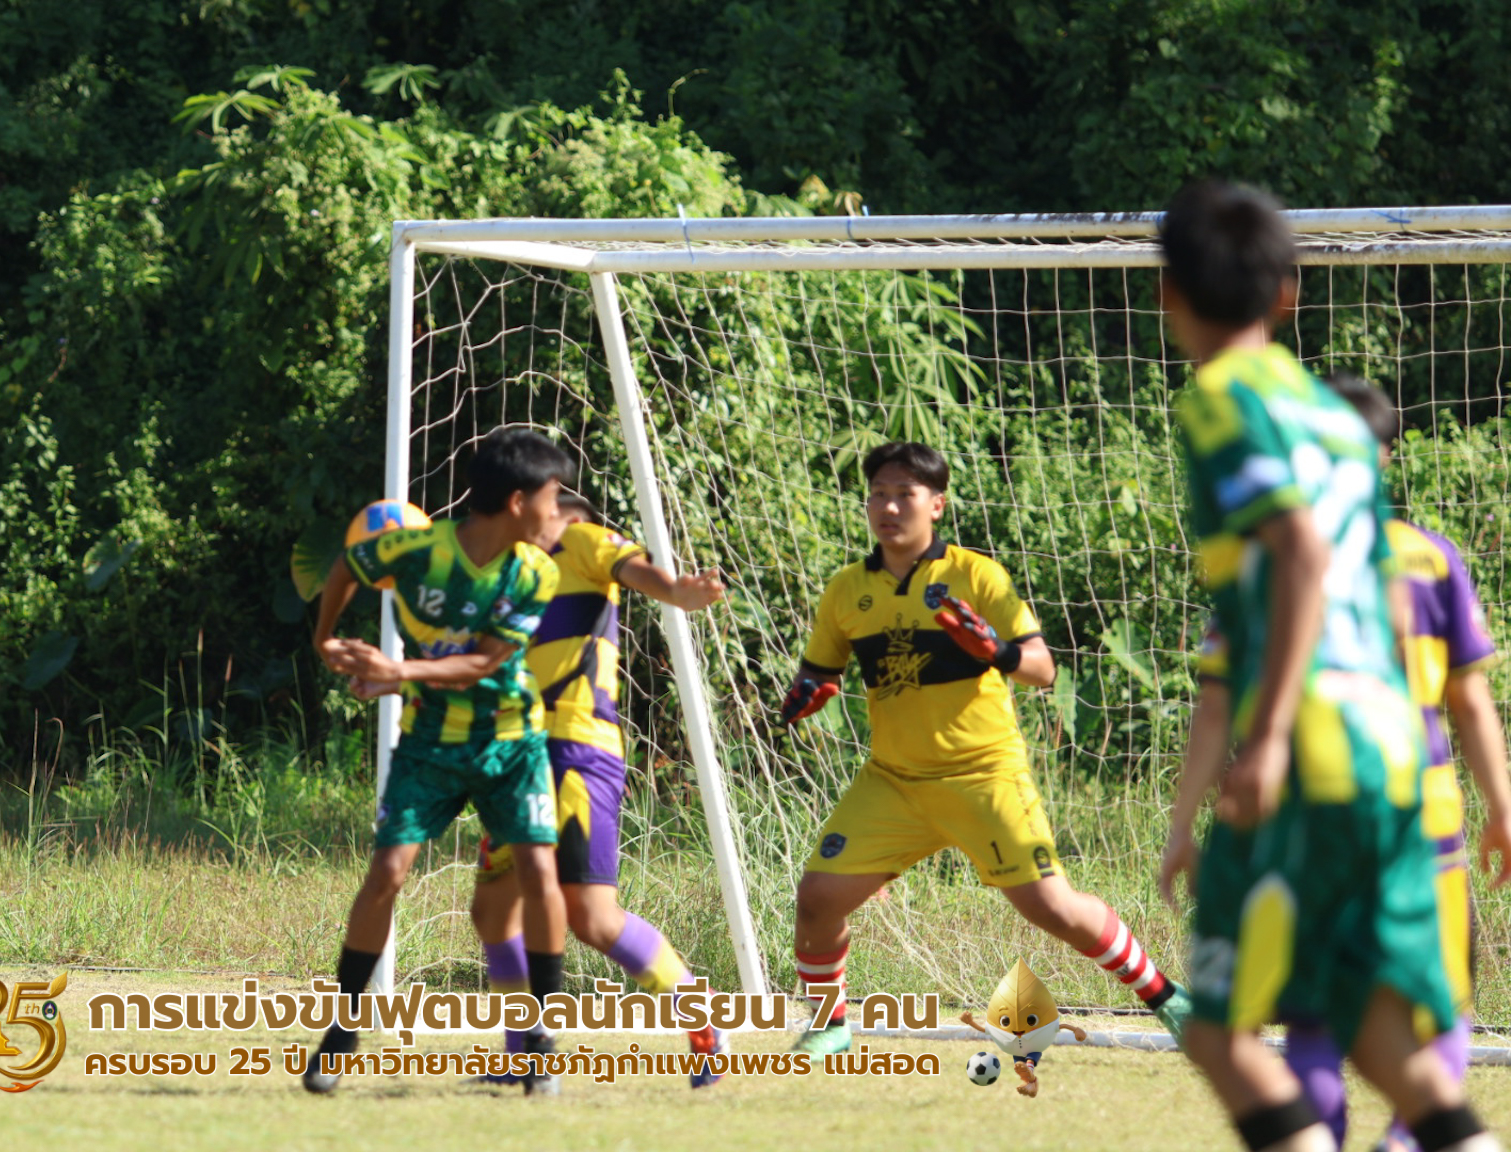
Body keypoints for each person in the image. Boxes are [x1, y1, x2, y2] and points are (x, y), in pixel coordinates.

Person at [1158, 178, 1495, 1152]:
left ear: (1167, 294)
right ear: (1286, 293)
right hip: (1394, 753)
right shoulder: (1335, 418)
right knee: (1376, 1033)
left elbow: (1301, 550)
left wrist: (1264, 741)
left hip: (1309, 753)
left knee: (1218, 1032)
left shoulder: (1217, 402)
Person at [782, 440, 1189, 1067]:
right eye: (878, 494)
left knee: (1053, 908)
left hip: (984, 775)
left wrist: (995, 652)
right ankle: (829, 1025)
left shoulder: (976, 576)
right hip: (894, 782)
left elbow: (1043, 669)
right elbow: (820, 669)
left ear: (936, 505)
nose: (888, 507)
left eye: (904, 494)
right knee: (818, 897)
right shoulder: (846, 590)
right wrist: (807, 691)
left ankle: (1168, 997)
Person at [305, 427, 571, 1095]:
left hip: (511, 742)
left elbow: (483, 662)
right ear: (518, 502)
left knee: (540, 872)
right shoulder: (415, 549)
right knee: (387, 874)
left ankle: (539, 1036)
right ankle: (342, 1029)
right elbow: (348, 566)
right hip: (429, 743)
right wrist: (325, 639)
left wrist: (394, 670)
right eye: (553, 497)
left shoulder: (536, 571)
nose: (558, 512)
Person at [467, 491, 729, 1087]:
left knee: (591, 917)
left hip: (575, 750)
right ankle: (526, 1056)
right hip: (515, 755)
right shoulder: (508, 575)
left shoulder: (581, 537)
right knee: (493, 910)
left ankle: (703, 1017)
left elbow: (635, 569)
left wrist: (677, 591)